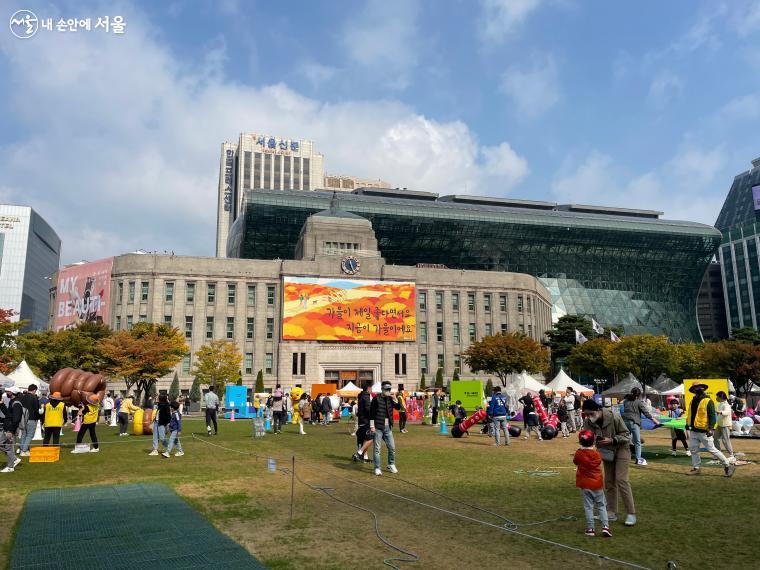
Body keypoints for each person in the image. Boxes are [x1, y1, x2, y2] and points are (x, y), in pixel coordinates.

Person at [581, 399, 637, 526]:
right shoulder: (588, 422)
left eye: (590, 414)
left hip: (622, 449)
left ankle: (631, 513)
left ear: (598, 410)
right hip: (606, 452)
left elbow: (626, 435)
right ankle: (611, 512)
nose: (589, 417)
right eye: (586, 414)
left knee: (621, 479)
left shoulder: (614, 416)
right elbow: (586, 437)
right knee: (609, 482)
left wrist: (612, 440)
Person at [686, 384, 735, 477]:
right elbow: (690, 414)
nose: (698, 389)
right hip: (693, 430)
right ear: (693, 390)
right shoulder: (693, 401)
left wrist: (711, 428)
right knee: (693, 450)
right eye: (696, 388)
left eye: (699, 387)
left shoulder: (708, 401)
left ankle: (728, 465)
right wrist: (687, 424)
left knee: (712, 450)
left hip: (704, 430)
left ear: (703, 389)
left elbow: (712, 415)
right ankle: (696, 468)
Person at [574, 429, 612, 538]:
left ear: (580, 442)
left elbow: (576, 461)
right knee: (601, 505)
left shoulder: (578, 453)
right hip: (597, 484)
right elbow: (598, 461)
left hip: (585, 484)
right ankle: (605, 526)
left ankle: (590, 528)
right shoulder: (596, 454)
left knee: (588, 506)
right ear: (593, 441)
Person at [621, 387, 660, 466]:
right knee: (637, 442)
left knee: (626, 441)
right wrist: (654, 420)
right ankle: (638, 459)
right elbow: (646, 413)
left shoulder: (626, 402)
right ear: (639, 395)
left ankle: (624, 457)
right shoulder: (639, 402)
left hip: (625, 423)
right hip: (634, 423)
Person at [369, 380, 401, 475]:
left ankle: (391, 464)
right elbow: (371, 413)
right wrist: (372, 426)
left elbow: (398, 407)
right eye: (386, 389)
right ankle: (377, 468)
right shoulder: (376, 399)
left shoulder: (390, 399)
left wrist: (395, 398)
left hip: (388, 427)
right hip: (378, 427)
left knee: (392, 447)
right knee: (377, 449)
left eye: (389, 389)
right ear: (382, 389)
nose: (388, 391)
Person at [0, 387, 23, 473]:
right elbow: (8, 414)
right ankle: (14, 459)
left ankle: (10, 467)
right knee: (3, 445)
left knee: (9, 448)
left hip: (10, 429)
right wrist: (2, 404)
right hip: (7, 427)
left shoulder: (16, 404)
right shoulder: (12, 401)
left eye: (8, 391)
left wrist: (10, 431)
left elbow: (16, 419)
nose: (6, 392)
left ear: (12, 393)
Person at [352, 383, 373, 463]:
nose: (372, 390)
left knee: (365, 438)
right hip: (366, 420)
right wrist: (373, 416)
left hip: (361, 420)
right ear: (368, 388)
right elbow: (368, 409)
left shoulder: (361, 395)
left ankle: (365, 457)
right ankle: (359, 453)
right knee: (370, 437)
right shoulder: (366, 396)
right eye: (371, 388)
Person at [18, 384, 40, 456]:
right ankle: (24, 450)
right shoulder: (34, 398)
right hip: (31, 418)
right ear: (34, 390)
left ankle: (22, 449)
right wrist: (38, 417)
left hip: (23, 419)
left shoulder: (23, 397)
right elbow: (36, 410)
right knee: (30, 435)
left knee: (24, 434)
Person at [714, 391, 735, 461]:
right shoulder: (719, 404)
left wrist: (720, 412)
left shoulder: (727, 404)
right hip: (719, 424)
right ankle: (718, 454)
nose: (716, 398)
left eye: (717, 396)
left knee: (725, 440)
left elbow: (727, 412)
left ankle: (731, 455)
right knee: (715, 438)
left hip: (725, 425)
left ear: (721, 397)